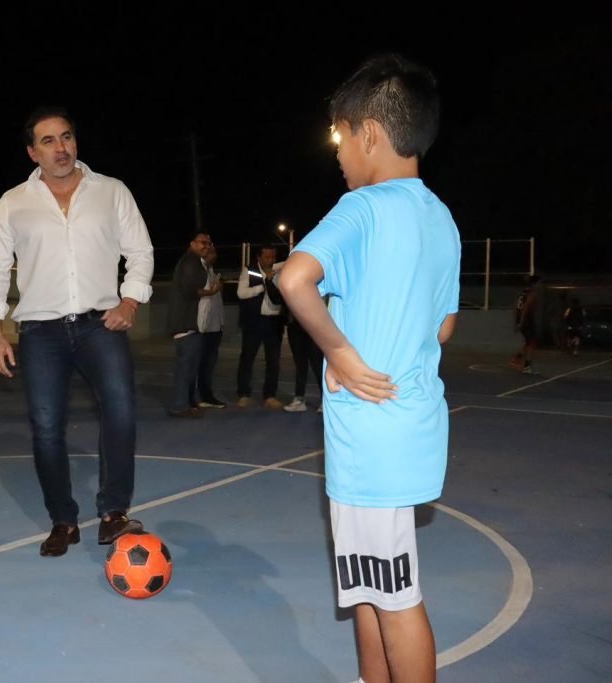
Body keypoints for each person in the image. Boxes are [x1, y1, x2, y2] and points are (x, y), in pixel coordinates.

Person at [279, 54, 460, 683]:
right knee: (366, 587)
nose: (338, 153)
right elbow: (442, 327)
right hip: (409, 428)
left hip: (372, 435)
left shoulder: (362, 208)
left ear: (371, 134)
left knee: (395, 594)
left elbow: (293, 277)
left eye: (340, 136)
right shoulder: (440, 218)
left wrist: (341, 351)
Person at [0, 106, 154, 557]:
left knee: (120, 412)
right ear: (32, 152)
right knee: (46, 428)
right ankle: (64, 520)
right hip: (41, 332)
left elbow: (140, 251)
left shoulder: (111, 191)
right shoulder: (13, 203)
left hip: (101, 324)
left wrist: (130, 301)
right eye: (50, 141)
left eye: (67, 137)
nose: (62, 148)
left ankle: (113, 513)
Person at [168, 232, 218, 418]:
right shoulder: (191, 262)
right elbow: (189, 290)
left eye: (209, 243)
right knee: (186, 368)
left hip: (189, 323)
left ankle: (187, 403)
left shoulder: (193, 261)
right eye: (202, 243)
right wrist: (211, 291)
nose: (206, 246)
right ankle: (179, 405)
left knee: (189, 368)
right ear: (192, 243)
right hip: (186, 323)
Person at [236, 244, 286, 410]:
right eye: (267, 257)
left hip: (274, 322)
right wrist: (263, 286)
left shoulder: (279, 270)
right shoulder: (249, 271)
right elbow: (241, 293)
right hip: (254, 322)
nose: (271, 260)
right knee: (247, 359)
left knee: (273, 361)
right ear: (258, 257)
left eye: (273, 257)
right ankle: (244, 394)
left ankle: (270, 395)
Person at [194, 245, 226, 409]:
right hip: (202, 327)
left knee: (208, 364)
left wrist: (220, 322)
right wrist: (213, 291)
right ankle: (192, 398)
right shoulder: (197, 270)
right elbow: (194, 292)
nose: (214, 255)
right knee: (197, 363)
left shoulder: (212, 271)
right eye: (211, 252)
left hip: (214, 327)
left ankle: (206, 395)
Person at [283, 315, 324, 413]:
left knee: (318, 364)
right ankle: (299, 399)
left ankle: (325, 400)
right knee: (300, 364)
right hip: (294, 324)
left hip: (314, 324)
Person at [510, 275, 542, 375]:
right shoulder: (532, 294)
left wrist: (517, 321)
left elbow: (518, 308)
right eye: (539, 283)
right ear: (535, 284)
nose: (540, 285)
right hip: (527, 320)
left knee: (530, 342)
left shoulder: (523, 292)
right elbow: (525, 308)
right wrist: (521, 322)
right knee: (531, 343)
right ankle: (526, 366)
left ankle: (517, 359)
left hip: (524, 320)